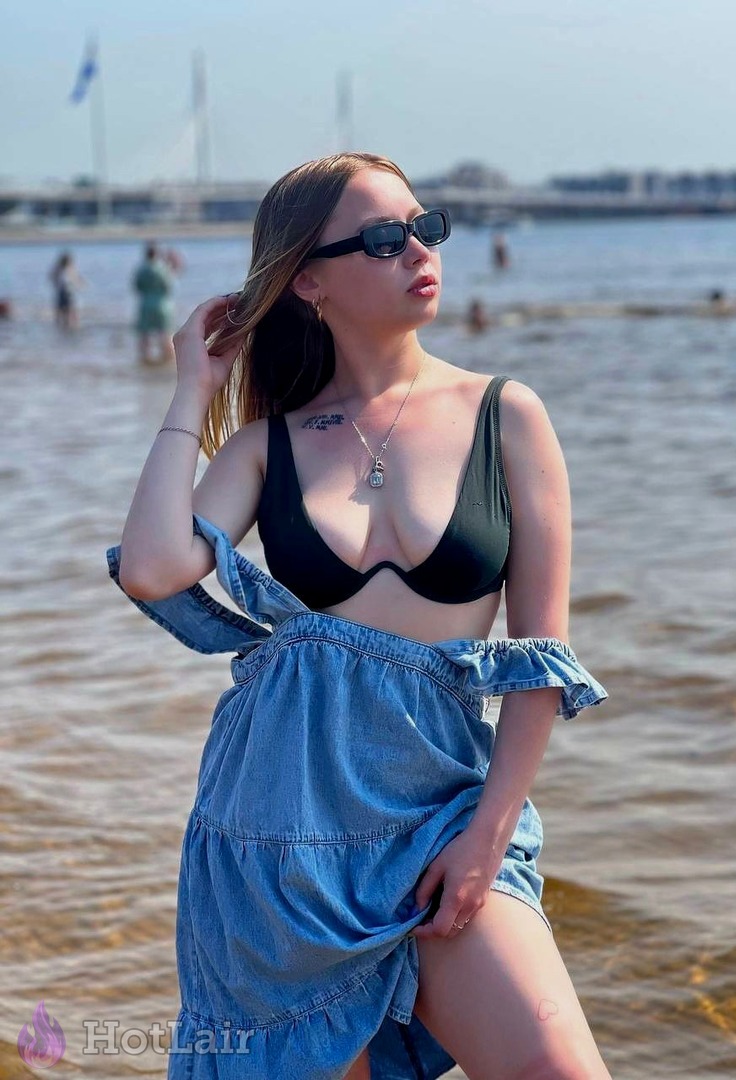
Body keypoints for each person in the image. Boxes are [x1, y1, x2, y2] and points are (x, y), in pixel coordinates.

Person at [107, 151, 611, 1079]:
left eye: (426, 227)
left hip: (444, 814)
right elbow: (151, 568)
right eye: (384, 238)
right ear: (309, 281)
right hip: (279, 836)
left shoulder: (505, 415)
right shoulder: (267, 446)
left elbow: (540, 659)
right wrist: (192, 391)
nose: (419, 250)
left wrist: (489, 834)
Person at [132, 242, 176, 365]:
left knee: (144, 335)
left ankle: (145, 360)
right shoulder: (163, 269)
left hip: (146, 304)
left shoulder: (141, 269)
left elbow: (137, 287)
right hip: (162, 304)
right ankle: (170, 361)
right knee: (165, 334)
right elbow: (169, 286)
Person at [49, 251, 84, 330]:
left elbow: (77, 279)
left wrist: (80, 284)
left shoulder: (65, 269)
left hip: (66, 292)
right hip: (65, 292)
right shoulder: (63, 269)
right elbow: (76, 279)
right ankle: (68, 326)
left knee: (66, 311)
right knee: (66, 311)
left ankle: (65, 326)